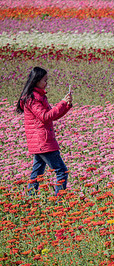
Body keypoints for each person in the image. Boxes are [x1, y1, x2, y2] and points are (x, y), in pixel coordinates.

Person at [15, 67, 73, 195]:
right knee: (61, 171)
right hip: (43, 141)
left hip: (42, 140)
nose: (47, 83)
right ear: (36, 80)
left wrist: (66, 105)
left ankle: (29, 199)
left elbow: (52, 116)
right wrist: (62, 102)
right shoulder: (32, 98)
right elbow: (45, 116)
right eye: (45, 80)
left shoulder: (39, 96)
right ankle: (59, 200)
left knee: (37, 174)